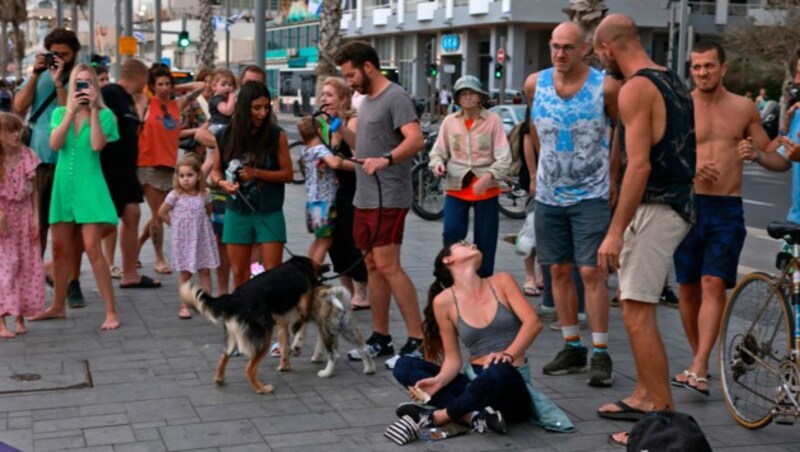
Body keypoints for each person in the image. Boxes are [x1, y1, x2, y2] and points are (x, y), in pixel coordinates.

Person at [592, 15, 695, 446]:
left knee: (636, 310)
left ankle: (663, 417)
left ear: (607, 49)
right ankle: (644, 394)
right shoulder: (673, 81)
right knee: (634, 305)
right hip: (674, 204)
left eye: (599, 56)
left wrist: (615, 232)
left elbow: (640, 166)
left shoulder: (635, 87)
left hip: (657, 207)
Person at [671, 41, 775, 396]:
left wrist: (757, 154)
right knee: (687, 288)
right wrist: (691, 166)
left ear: (723, 68)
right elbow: (659, 158)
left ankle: (699, 366)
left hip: (726, 208)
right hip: (687, 206)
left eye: (709, 66)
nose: (702, 73)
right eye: (697, 67)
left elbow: (781, 161)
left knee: (713, 284)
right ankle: (699, 359)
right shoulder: (681, 106)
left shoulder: (744, 108)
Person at [524, 21, 619, 387]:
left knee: (592, 272)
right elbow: (533, 131)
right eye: (554, 46)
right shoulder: (536, 83)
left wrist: (612, 179)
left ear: (585, 49)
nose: (560, 53)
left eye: (567, 47)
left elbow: (619, 134)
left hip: (591, 194)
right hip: (549, 196)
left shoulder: (605, 87)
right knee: (558, 272)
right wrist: (534, 174)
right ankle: (571, 345)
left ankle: (600, 352)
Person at [335, 41, 425, 369]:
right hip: (365, 197)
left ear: (368, 67)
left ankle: (418, 339)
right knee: (372, 265)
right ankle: (380, 337)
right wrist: (338, 128)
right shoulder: (368, 101)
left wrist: (386, 160)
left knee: (388, 265)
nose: (349, 82)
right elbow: (364, 145)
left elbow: (415, 139)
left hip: (389, 195)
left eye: (351, 74)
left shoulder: (395, 97)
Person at [391, 240, 542, 435]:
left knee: (497, 370)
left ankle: (439, 416)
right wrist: (438, 381)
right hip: (475, 382)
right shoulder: (443, 302)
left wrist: (508, 355)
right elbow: (453, 360)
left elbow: (533, 322)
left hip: (510, 383)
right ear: (448, 259)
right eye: (463, 244)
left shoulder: (502, 281)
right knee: (404, 365)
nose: (473, 244)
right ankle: (474, 418)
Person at [31, 64, 121, 330]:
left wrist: (92, 109)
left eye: (87, 82)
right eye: (78, 83)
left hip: (89, 186)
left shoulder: (105, 115)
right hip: (63, 186)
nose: (82, 87)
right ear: (71, 87)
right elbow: (55, 145)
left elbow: (96, 145)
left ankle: (111, 311)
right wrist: (71, 111)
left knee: (92, 247)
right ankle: (57, 306)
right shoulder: (60, 112)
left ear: (95, 86)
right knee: (59, 249)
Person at [14, 28, 86, 307]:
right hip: (41, 161)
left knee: (73, 228)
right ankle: (33, 285)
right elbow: (20, 106)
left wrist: (59, 82)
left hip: (72, 161)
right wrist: (35, 73)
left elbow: (70, 111)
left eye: (65, 55)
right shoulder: (40, 74)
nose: (60, 60)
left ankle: (73, 282)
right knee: (39, 226)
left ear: (74, 55)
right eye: (55, 54)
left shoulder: (80, 77)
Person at [209, 81, 292, 287]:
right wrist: (222, 183)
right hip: (237, 210)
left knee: (273, 274)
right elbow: (216, 170)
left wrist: (256, 173)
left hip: (269, 210)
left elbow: (288, 174)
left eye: (266, 107)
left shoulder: (276, 134)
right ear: (244, 108)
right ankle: (241, 316)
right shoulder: (224, 136)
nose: (262, 113)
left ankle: (270, 316)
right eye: (256, 108)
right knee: (239, 273)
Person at [196, 66, 269, 296]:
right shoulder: (229, 108)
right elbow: (200, 134)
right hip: (225, 187)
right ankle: (222, 290)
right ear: (240, 84)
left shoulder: (265, 114)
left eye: (257, 84)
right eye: (248, 84)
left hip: (256, 189)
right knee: (223, 237)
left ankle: (253, 287)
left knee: (257, 239)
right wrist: (224, 144)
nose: (252, 90)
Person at [429, 75, 511, 278]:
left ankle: (483, 280)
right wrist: (438, 164)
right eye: (463, 94)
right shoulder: (450, 121)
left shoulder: (493, 121)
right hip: (456, 186)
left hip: (486, 187)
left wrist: (489, 176)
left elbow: (504, 157)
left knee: (486, 239)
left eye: (471, 93)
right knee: (451, 234)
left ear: (480, 97)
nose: (467, 97)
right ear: (457, 98)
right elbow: (437, 152)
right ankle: (453, 276)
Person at [99, 59, 161, 289]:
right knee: (103, 225)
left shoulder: (128, 100)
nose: (145, 85)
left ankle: (129, 273)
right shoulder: (111, 93)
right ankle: (57, 264)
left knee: (133, 214)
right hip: (110, 170)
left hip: (126, 171)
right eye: (145, 80)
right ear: (139, 76)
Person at [136, 64, 203, 275]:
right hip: (148, 164)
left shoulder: (177, 104)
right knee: (158, 213)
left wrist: (177, 87)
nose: (164, 88)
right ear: (152, 86)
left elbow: (202, 85)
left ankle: (135, 248)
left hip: (169, 165)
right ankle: (159, 259)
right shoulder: (146, 103)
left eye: (167, 84)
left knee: (159, 212)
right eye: (160, 84)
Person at [318, 76, 370, 309]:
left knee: (351, 240)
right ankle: (346, 290)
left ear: (343, 98)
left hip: (355, 189)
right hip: (336, 190)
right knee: (336, 241)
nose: (323, 99)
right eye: (322, 95)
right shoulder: (329, 123)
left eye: (329, 95)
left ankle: (362, 291)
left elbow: (361, 159)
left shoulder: (352, 121)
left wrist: (337, 163)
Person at [0, 113, 45, 338]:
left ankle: (19, 317)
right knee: (5, 268)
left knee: (26, 266)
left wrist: (36, 217)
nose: (16, 134)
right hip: (3, 218)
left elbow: (34, 190)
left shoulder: (28, 155)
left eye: (18, 129)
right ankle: (1, 321)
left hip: (25, 214)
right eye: (10, 130)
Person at [158, 155, 219, 319]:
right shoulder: (175, 195)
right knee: (185, 273)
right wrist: (175, 224)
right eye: (182, 175)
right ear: (177, 177)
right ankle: (184, 305)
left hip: (201, 238)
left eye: (189, 175)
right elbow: (162, 212)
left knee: (205, 270)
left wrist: (201, 225)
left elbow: (208, 210)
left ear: (198, 175)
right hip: (184, 240)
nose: (185, 179)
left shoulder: (203, 194)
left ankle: (207, 304)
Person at [297, 115, 348, 264]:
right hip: (325, 203)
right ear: (319, 130)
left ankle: (307, 268)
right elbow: (334, 164)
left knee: (318, 240)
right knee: (325, 242)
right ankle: (314, 272)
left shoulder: (305, 150)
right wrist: (337, 146)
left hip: (313, 202)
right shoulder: (320, 149)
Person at [207, 69, 236, 134]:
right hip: (218, 127)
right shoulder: (216, 99)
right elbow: (227, 111)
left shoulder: (225, 99)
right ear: (214, 86)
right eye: (223, 85)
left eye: (230, 85)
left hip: (225, 126)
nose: (227, 87)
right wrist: (232, 98)